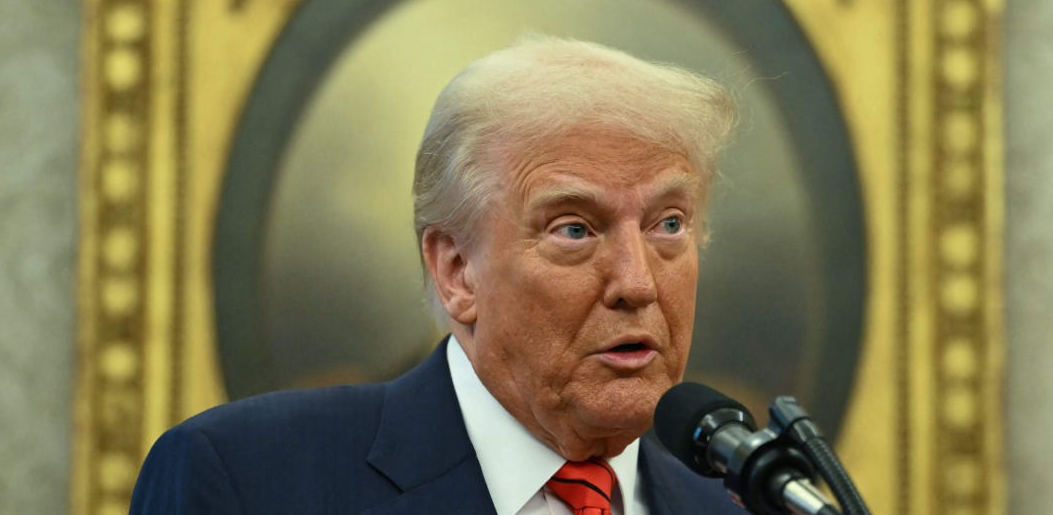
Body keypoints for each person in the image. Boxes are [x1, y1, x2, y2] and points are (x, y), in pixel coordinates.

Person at [130, 37, 742, 514]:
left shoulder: (737, 507)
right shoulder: (246, 478)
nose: (637, 283)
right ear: (457, 272)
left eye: (668, 224)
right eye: (574, 230)